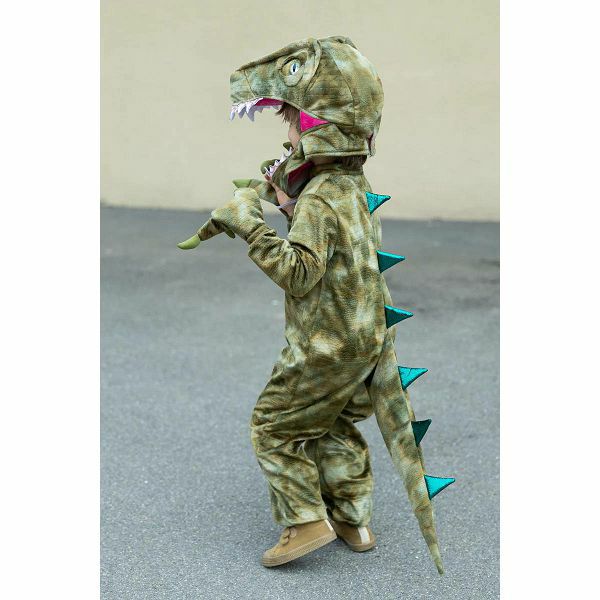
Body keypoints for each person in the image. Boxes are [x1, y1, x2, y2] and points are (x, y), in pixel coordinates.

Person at [178, 36, 454, 573]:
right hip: (367, 337)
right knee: (330, 423)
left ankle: (305, 520)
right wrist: (288, 205)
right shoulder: (351, 185)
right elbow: (335, 248)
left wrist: (251, 225)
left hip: (325, 343)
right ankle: (353, 518)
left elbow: (300, 273)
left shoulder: (322, 197)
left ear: (316, 128)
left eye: (290, 122)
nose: (286, 133)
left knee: (274, 426)